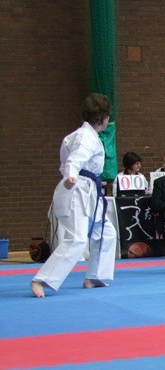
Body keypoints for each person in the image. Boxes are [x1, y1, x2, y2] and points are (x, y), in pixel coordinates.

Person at [30, 93, 118, 297]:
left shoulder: (84, 135)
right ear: (102, 117)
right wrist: (71, 176)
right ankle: (41, 279)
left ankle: (94, 275)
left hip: (88, 190)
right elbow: (74, 161)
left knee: (106, 233)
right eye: (108, 116)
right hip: (77, 189)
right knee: (77, 239)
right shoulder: (85, 137)